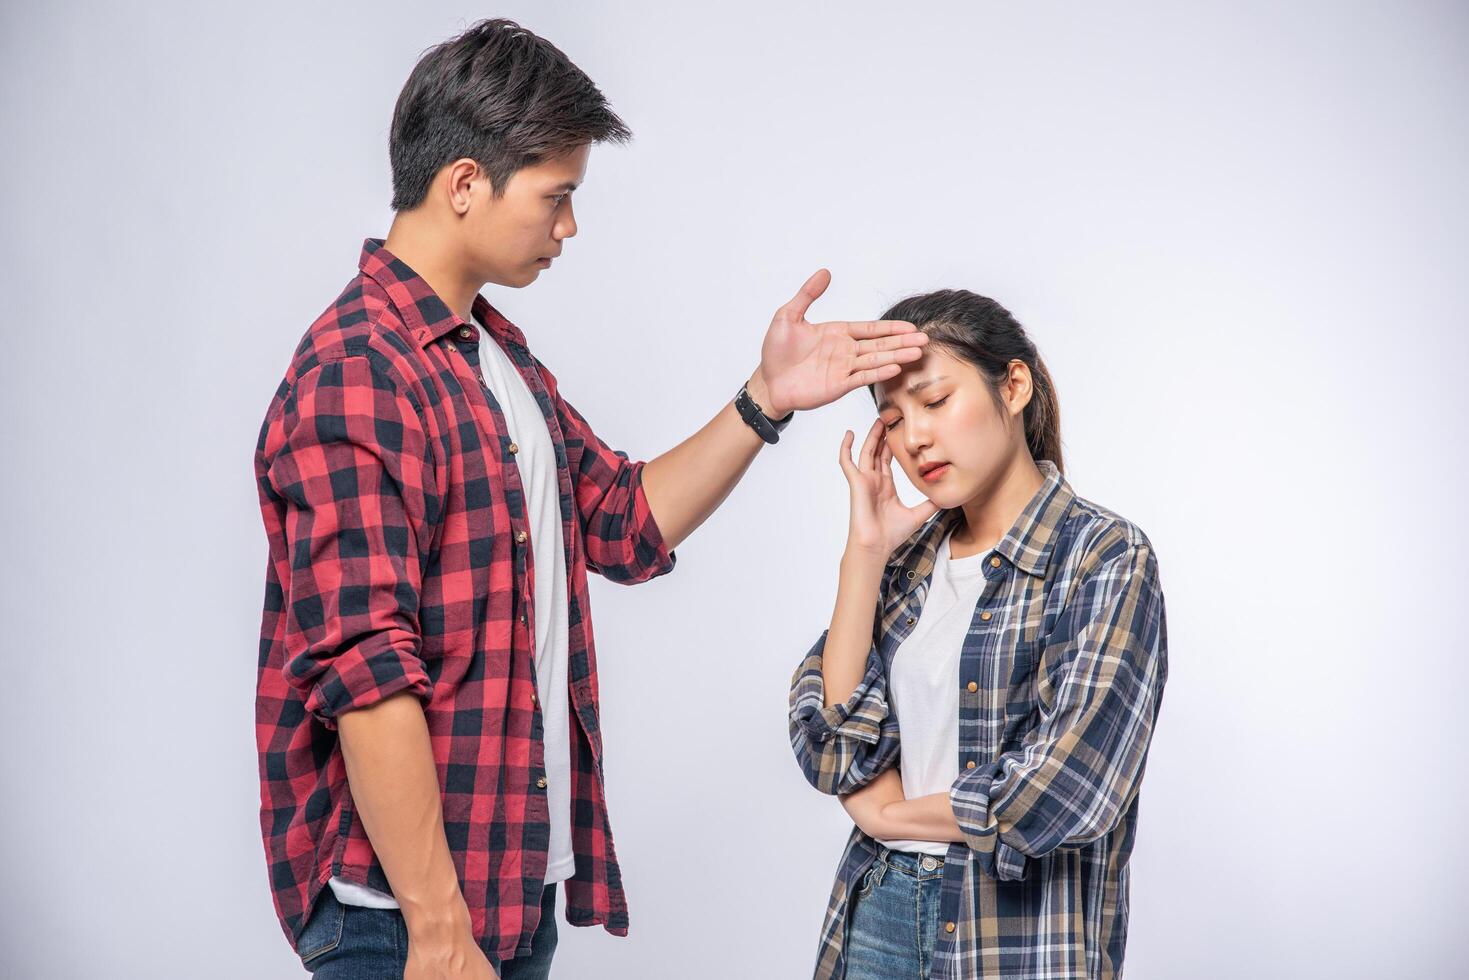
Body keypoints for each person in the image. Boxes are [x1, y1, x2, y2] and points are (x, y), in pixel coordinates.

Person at [253, 18, 929, 979]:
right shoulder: (360, 373)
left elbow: (620, 520)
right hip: (403, 921)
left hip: (503, 892)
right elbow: (366, 679)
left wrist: (765, 398)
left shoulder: (489, 355)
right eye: (555, 196)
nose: (568, 226)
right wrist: (439, 928)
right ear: (462, 185)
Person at [788, 289, 1168, 979]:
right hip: (876, 912)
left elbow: (1065, 789)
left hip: (1016, 940)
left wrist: (889, 816)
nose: (914, 439)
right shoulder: (905, 567)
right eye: (893, 420)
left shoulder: (1103, 557)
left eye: (934, 402)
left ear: (1013, 385)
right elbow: (832, 751)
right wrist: (864, 555)